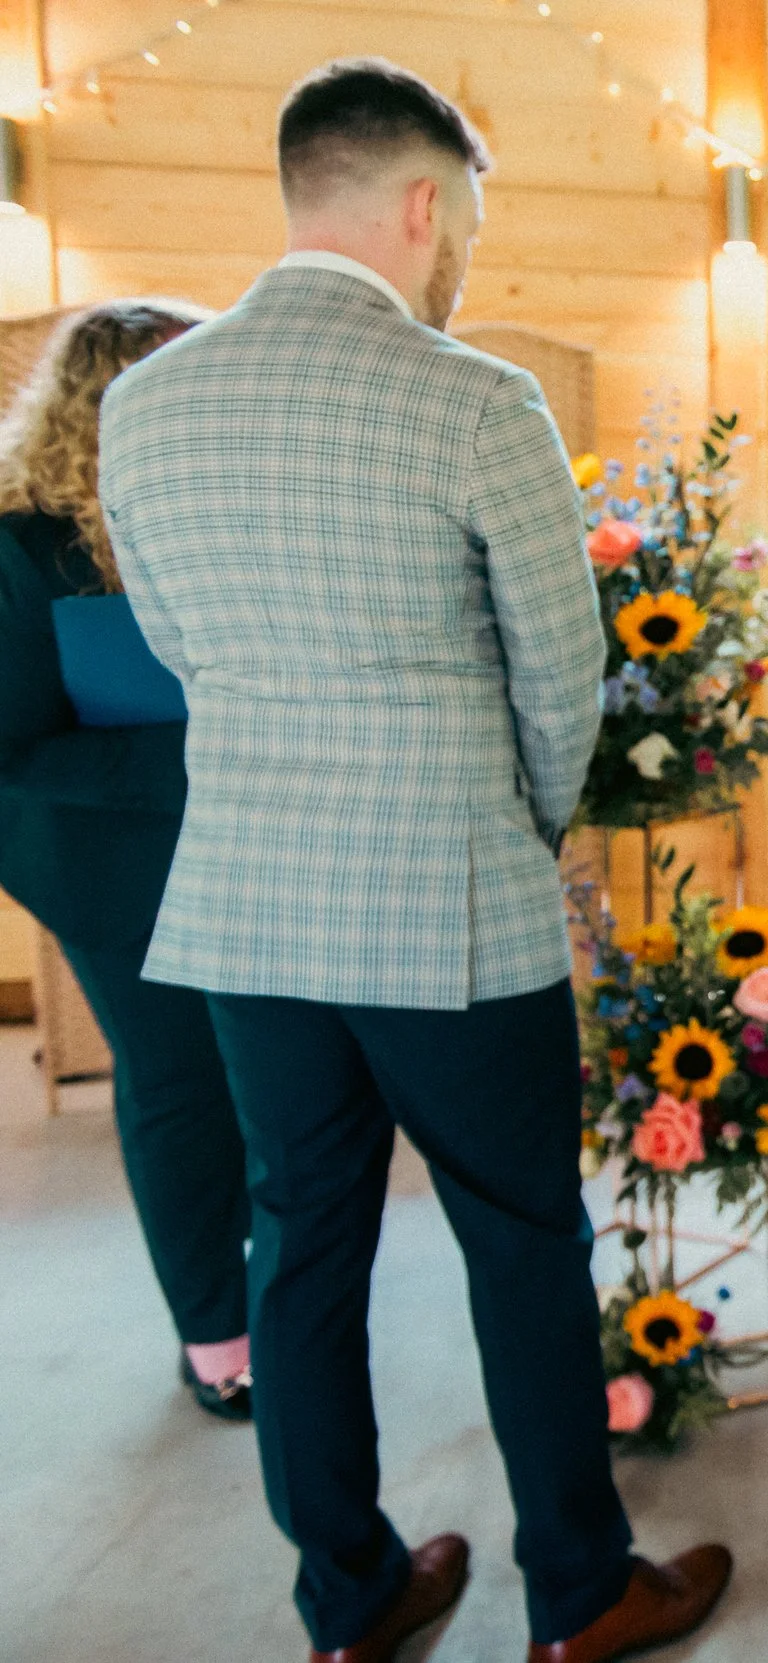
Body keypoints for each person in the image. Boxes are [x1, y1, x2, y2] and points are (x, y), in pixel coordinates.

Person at [96, 59, 725, 1663]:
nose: (468, 261)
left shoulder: (144, 400)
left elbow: (172, 643)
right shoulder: (473, 396)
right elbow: (560, 666)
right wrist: (511, 822)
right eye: (471, 223)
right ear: (422, 202)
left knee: (298, 1240)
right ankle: (579, 1595)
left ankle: (350, 1599)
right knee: (520, 1233)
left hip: (245, 904)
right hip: (452, 906)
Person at [0, 299, 260, 1423]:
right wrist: (196, 752)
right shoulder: (19, 546)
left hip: (254, 849)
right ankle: (216, 1337)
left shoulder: (225, 517)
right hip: (109, 868)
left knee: (273, 1086)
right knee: (182, 1093)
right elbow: (14, 744)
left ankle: (272, 1283)